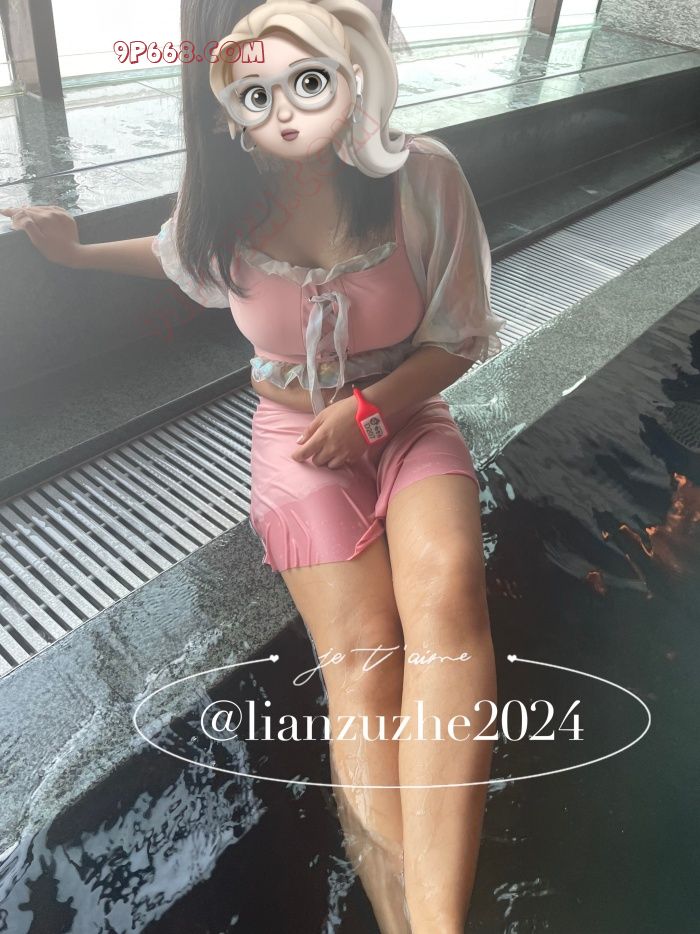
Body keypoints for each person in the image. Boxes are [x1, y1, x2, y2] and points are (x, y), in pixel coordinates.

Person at [2, 2, 506, 930]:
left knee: (447, 599)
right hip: (295, 439)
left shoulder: (419, 173)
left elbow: (463, 335)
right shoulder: (225, 203)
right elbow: (174, 256)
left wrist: (370, 413)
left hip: (406, 415)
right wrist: (72, 253)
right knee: (363, 658)